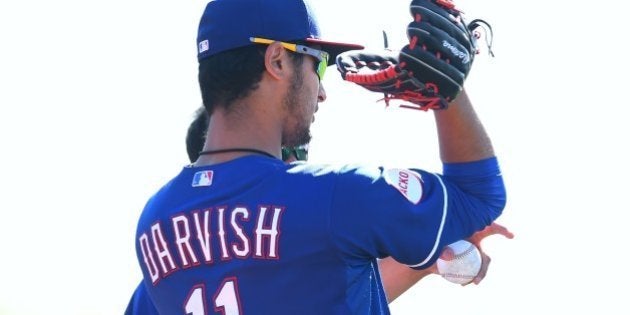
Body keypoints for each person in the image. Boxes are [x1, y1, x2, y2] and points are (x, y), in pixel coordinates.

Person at [132, 0, 508, 313]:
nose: (322, 92)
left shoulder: (154, 226)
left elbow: (307, 286)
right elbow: (480, 197)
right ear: (277, 60)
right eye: (318, 64)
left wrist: (421, 263)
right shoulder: (336, 195)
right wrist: (446, 93)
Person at [125, 107, 513, 313]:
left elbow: (338, 290)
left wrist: (427, 261)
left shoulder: (166, 268)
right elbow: (479, 194)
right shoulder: (307, 208)